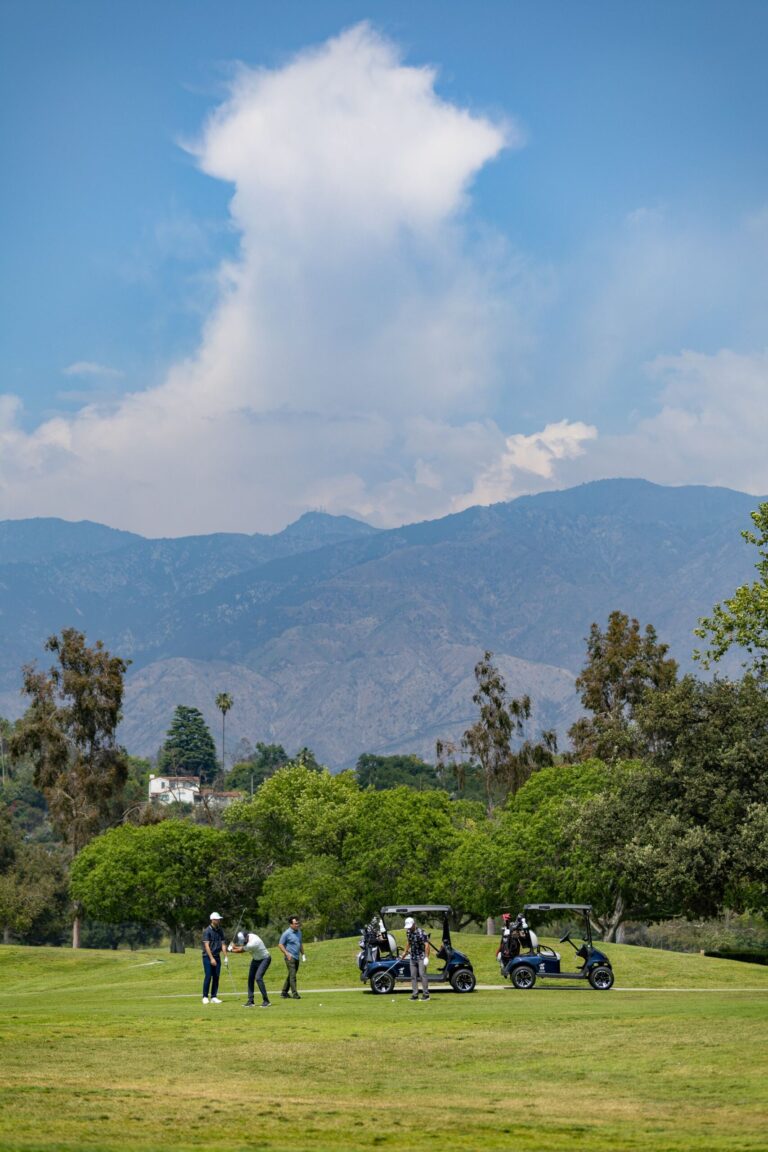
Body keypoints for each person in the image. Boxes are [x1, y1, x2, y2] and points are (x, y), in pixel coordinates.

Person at [230, 929, 272, 1007]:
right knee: (250, 978)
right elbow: (242, 946)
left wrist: (231, 950)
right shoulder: (248, 937)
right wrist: (234, 946)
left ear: (246, 938)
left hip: (265, 959)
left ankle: (266, 1001)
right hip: (256, 959)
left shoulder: (253, 943)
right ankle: (251, 1001)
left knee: (258, 977)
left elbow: (241, 950)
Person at [402, 915, 431, 1000]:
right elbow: (409, 942)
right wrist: (405, 953)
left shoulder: (421, 932)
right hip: (413, 957)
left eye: (410, 926)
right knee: (413, 976)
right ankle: (415, 995)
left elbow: (427, 945)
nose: (409, 928)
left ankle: (426, 995)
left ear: (414, 924)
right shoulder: (408, 932)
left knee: (422, 975)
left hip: (421, 957)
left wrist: (426, 957)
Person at [201, 911, 227, 1004]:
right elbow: (207, 946)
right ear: (212, 920)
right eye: (217, 919)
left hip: (217, 956)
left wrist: (225, 957)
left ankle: (213, 996)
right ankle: (204, 996)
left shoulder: (220, 930)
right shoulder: (207, 931)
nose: (219, 920)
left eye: (219, 919)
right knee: (208, 976)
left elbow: (223, 944)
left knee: (216, 976)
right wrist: (211, 958)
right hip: (207, 957)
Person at [278, 915, 305, 999]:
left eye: (298, 923)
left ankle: (284, 992)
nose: (297, 925)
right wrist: (287, 954)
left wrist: (303, 954)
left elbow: (300, 944)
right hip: (290, 957)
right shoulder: (286, 933)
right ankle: (295, 994)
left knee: (291, 975)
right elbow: (280, 945)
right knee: (293, 976)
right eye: (295, 923)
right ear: (291, 924)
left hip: (297, 957)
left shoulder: (299, 932)